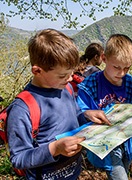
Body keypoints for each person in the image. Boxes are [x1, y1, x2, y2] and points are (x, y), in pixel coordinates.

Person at [6, 29, 95, 179]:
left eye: (71, 73)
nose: (70, 79)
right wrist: (55, 148)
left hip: (73, 172)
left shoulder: (65, 88)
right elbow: (18, 158)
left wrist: (87, 116)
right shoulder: (22, 108)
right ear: (37, 71)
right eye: (63, 75)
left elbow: (75, 115)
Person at [77, 34, 132, 180]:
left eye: (127, 68)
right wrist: (87, 114)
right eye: (116, 67)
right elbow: (79, 111)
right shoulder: (90, 84)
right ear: (104, 58)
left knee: (124, 167)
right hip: (105, 143)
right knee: (118, 174)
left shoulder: (130, 83)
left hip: (127, 141)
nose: (121, 73)